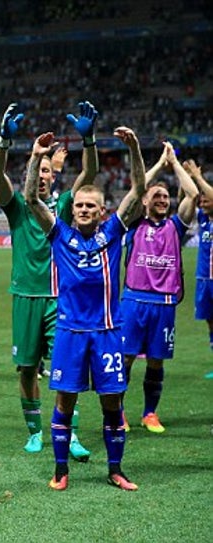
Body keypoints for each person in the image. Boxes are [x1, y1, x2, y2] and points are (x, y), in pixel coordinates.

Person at [25, 128, 146, 491]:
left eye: (90, 206)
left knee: (113, 401)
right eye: (79, 205)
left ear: (102, 210)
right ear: (72, 208)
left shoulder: (113, 231)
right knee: (65, 399)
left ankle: (116, 469)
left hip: (108, 331)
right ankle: (61, 470)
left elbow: (138, 191)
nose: (83, 210)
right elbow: (31, 199)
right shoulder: (60, 233)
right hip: (71, 332)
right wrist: (34, 158)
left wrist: (135, 149)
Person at [0, 101, 97, 458]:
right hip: (24, 296)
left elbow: (89, 178)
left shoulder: (65, 205)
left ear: (55, 176)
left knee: (65, 368)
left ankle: (72, 434)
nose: (44, 175)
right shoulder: (17, 206)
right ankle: (35, 432)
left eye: (49, 170)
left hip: (58, 298)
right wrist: (5, 142)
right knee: (27, 368)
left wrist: (90, 141)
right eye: (39, 170)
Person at [121, 142, 197, 433]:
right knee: (125, 359)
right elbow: (137, 186)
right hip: (133, 301)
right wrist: (154, 171)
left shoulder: (175, 227)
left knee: (156, 361)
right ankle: (119, 413)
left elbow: (192, 194)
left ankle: (150, 413)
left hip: (164, 303)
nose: (163, 200)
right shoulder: (133, 223)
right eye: (157, 195)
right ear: (145, 200)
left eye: (166, 196)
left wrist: (174, 163)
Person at [183, 159, 213, 378]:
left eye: (206, 200)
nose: (203, 202)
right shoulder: (203, 219)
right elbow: (189, 197)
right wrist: (188, 178)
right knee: (210, 324)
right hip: (203, 279)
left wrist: (198, 176)